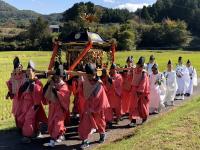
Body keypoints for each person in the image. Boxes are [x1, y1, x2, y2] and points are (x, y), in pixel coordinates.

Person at [77, 64, 110, 149]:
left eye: (92, 75)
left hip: (98, 107)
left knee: (100, 122)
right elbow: (81, 94)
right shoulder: (85, 82)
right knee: (85, 124)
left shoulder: (99, 83)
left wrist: (95, 107)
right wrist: (81, 82)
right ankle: (85, 141)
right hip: (88, 107)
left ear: (95, 73)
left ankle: (102, 134)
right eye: (88, 75)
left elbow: (101, 96)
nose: (90, 77)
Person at [17, 60, 47, 143]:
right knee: (30, 118)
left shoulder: (37, 83)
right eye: (27, 71)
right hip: (25, 104)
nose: (28, 73)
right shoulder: (26, 82)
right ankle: (36, 131)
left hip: (34, 104)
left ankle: (27, 136)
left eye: (30, 71)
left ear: (34, 72)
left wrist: (33, 86)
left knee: (28, 119)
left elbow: (38, 93)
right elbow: (21, 92)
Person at [43, 65, 71, 147]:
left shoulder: (64, 86)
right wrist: (49, 84)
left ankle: (54, 139)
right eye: (55, 76)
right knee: (51, 122)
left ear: (61, 77)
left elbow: (64, 96)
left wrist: (55, 90)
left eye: (58, 76)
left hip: (60, 108)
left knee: (58, 123)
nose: (56, 77)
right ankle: (59, 136)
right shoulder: (52, 83)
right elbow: (46, 93)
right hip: (52, 107)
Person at [129, 57, 150, 127]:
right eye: (138, 64)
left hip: (141, 92)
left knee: (142, 106)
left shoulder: (144, 73)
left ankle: (144, 118)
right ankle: (133, 120)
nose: (139, 66)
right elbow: (129, 71)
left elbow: (144, 82)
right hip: (134, 90)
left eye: (140, 65)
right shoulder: (134, 69)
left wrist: (140, 91)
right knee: (133, 105)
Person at [6, 57, 27, 128]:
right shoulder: (12, 77)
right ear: (15, 68)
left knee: (23, 113)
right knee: (16, 113)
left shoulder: (25, 76)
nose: (20, 68)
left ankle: (24, 127)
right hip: (16, 98)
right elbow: (10, 86)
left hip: (24, 98)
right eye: (18, 67)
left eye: (21, 66)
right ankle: (19, 128)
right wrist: (9, 93)